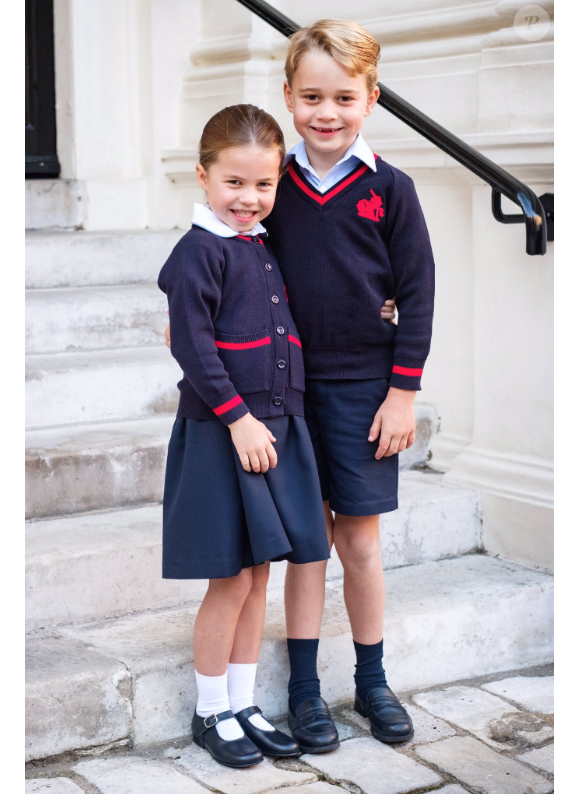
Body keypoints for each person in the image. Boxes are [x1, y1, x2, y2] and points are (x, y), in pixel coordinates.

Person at [263, 19, 436, 750]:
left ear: (371, 99)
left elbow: (418, 292)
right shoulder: (273, 184)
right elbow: (235, 257)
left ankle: (371, 683)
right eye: (310, 97)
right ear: (288, 96)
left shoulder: (390, 189)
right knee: (307, 545)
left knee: (357, 543)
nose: (325, 113)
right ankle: (305, 695)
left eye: (343, 97)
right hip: (290, 393)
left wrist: (403, 391)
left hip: (365, 392)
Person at [158, 104, 332, 768]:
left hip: (273, 430)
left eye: (263, 186)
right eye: (234, 183)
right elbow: (196, 351)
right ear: (203, 176)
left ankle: (242, 700)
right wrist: (239, 418)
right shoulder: (197, 253)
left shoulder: (256, 242)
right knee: (229, 579)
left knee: (259, 575)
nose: (249, 198)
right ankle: (209, 711)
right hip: (224, 433)